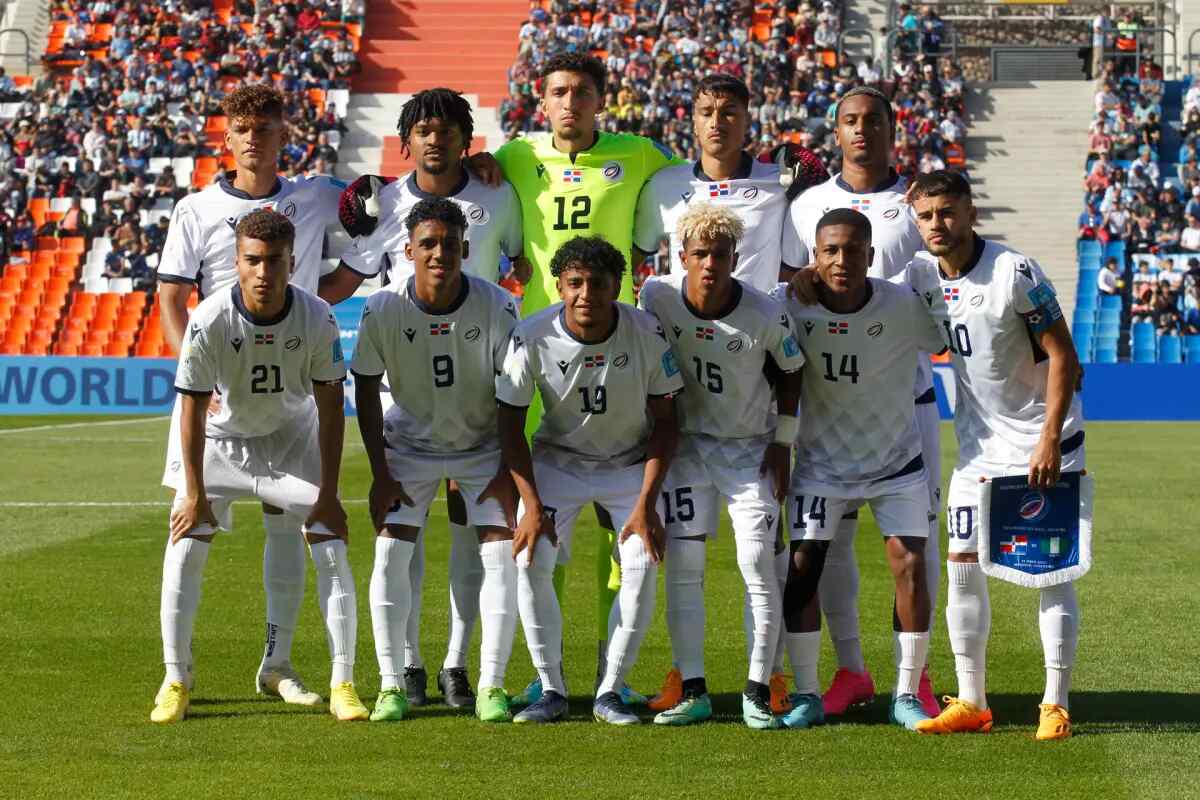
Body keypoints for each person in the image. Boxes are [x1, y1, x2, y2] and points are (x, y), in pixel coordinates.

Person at [155, 84, 355, 709]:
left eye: (265, 128)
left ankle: (279, 663)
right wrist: (199, 370)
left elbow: (367, 242)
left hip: (288, 398)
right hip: (221, 391)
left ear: (282, 134)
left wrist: (481, 169)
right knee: (189, 529)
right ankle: (175, 675)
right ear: (228, 136)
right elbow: (170, 300)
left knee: (289, 529)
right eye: (242, 129)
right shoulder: (196, 209)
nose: (254, 139)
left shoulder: (317, 198)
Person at [325, 88, 526, 709]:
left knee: (472, 539)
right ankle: (407, 665)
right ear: (405, 141)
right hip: (402, 393)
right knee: (400, 541)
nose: (435, 139)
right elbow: (353, 276)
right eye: (423, 130)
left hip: (480, 387)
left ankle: (460, 665)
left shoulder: (498, 191)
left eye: (447, 129)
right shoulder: (382, 201)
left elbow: (524, 262)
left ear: (468, 139)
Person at [494, 51, 681, 701]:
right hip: (542, 355)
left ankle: (612, 675)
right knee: (535, 530)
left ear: (602, 100)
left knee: (620, 536)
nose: (569, 103)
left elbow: (700, 186)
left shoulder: (639, 154)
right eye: (558, 93)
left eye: (582, 92)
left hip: (618, 348)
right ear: (540, 101)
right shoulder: (513, 158)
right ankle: (532, 677)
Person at [905, 170, 1085, 741]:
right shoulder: (919, 277)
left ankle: (1054, 703)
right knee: (961, 565)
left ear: (971, 212)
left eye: (948, 212)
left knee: (1051, 570)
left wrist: (1050, 436)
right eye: (928, 215)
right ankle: (973, 700)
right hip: (978, 453)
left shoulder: (1014, 272)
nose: (939, 224)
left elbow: (1064, 357)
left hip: (1040, 445)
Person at [781, 85, 942, 718]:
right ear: (836, 130)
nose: (862, 131)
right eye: (849, 121)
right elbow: (791, 285)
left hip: (907, 397)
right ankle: (848, 671)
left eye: (873, 121)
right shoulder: (809, 205)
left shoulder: (915, 200)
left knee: (916, 547)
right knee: (826, 551)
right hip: (830, 411)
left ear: (892, 128)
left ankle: (917, 681)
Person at [495, 236, 683, 725]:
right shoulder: (531, 335)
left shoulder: (645, 331)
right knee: (530, 555)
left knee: (642, 561)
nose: (586, 295)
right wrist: (532, 505)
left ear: (616, 286)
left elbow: (667, 421)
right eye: (575, 283)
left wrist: (645, 503)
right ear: (558, 286)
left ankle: (611, 690)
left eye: (597, 284)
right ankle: (551, 689)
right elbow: (509, 425)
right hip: (557, 463)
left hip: (626, 466)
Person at [351, 198, 523, 724]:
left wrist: (504, 470)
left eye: (450, 244)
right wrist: (380, 474)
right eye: (428, 244)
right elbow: (363, 388)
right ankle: (390, 684)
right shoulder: (382, 309)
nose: (439, 253)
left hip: (479, 450)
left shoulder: (497, 306)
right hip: (409, 450)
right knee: (389, 556)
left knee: (499, 556)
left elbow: (514, 395)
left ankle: (489, 683)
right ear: (407, 250)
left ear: (466, 249)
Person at [637, 204, 803, 728]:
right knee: (684, 571)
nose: (710, 264)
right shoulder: (656, 296)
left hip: (748, 450)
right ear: (681, 256)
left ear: (737, 257)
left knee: (757, 563)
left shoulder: (765, 312)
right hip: (686, 449)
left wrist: (783, 443)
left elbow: (792, 373)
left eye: (721, 254)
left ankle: (758, 688)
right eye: (700, 254)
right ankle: (693, 688)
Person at [633, 74, 800, 294]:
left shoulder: (781, 183)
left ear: (747, 122)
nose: (716, 122)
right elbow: (630, 261)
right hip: (684, 326)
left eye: (728, 113)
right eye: (706, 113)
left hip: (757, 326)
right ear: (694, 123)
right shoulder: (663, 185)